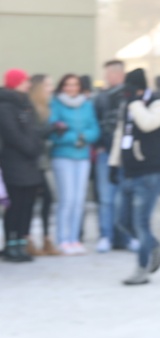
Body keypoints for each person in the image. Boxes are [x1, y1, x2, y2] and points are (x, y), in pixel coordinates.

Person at [109, 68, 160, 285]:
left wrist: (136, 103)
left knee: (141, 222)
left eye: (131, 89)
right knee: (122, 221)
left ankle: (142, 268)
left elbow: (148, 124)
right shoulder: (127, 105)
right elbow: (121, 133)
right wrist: (113, 163)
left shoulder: (158, 104)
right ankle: (155, 247)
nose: (127, 93)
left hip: (150, 173)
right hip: (128, 171)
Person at [49, 74, 100, 254]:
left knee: (79, 200)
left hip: (83, 156)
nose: (72, 88)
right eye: (68, 85)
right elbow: (54, 130)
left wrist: (84, 137)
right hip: (63, 155)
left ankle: (74, 239)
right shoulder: (56, 104)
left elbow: (94, 128)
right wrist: (74, 138)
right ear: (63, 86)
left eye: (75, 84)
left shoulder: (86, 105)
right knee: (67, 199)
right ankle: (62, 238)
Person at [0, 69, 45, 262]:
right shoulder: (5, 106)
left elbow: (33, 130)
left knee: (27, 204)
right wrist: (31, 148)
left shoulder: (24, 104)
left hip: (29, 163)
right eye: (24, 81)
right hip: (14, 163)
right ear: (15, 82)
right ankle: (11, 244)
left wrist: (36, 146)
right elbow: (12, 134)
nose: (28, 84)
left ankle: (20, 242)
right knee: (16, 205)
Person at [93, 59, 134, 253]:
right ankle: (105, 236)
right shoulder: (100, 98)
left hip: (126, 156)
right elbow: (95, 123)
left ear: (119, 75)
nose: (107, 78)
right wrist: (99, 145)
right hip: (105, 154)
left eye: (109, 74)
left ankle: (124, 238)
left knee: (124, 198)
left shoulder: (131, 96)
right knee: (107, 198)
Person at [27, 74, 60, 255]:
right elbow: (33, 134)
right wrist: (52, 128)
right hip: (32, 163)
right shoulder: (31, 108)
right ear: (39, 87)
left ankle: (46, 239)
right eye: (48, 85)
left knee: (47, 199)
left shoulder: (46, 107)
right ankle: (29, 240)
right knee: (34, 201)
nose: (51, 88)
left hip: (41, 161)